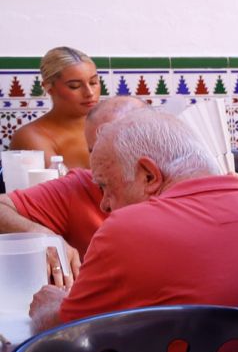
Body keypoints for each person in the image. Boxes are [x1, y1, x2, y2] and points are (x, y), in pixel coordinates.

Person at [27, 111, 238, 331]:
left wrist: (48, 305)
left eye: (105, 186)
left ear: (149, 176)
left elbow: (65, 329)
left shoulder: (126, 231)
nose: (104, 203)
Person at [0, 97, 143, 258]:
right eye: (93, 150)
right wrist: (41, 235)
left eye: (113, 152)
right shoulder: (79, 186)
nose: (98, 161)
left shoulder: (173, 194)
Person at [9, 47, 100, 171]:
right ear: (48, 88)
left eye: (93, 82)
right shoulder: (30, 137)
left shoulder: (111, 125)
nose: (89, 93)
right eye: (75, 86)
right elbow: (57, 188)